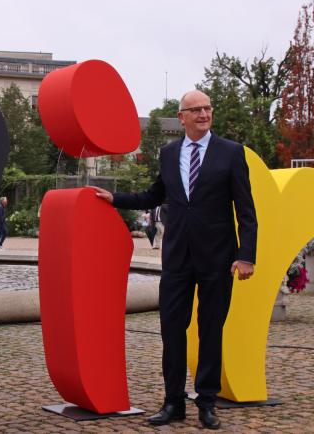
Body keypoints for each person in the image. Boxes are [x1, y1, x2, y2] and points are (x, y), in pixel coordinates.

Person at [91, 90, 257, 430]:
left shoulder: (232, 153)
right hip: (177, 257)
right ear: (181, 117)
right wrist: (115, 198)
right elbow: (154, 194)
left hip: (218, 258)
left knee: (211, 330)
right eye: (195, 110)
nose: (203, 114)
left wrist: (246, 256)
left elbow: (246, 210)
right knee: (171, 329)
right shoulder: (168, 153)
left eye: (208, 108)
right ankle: (173, 402)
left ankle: (207, 403)